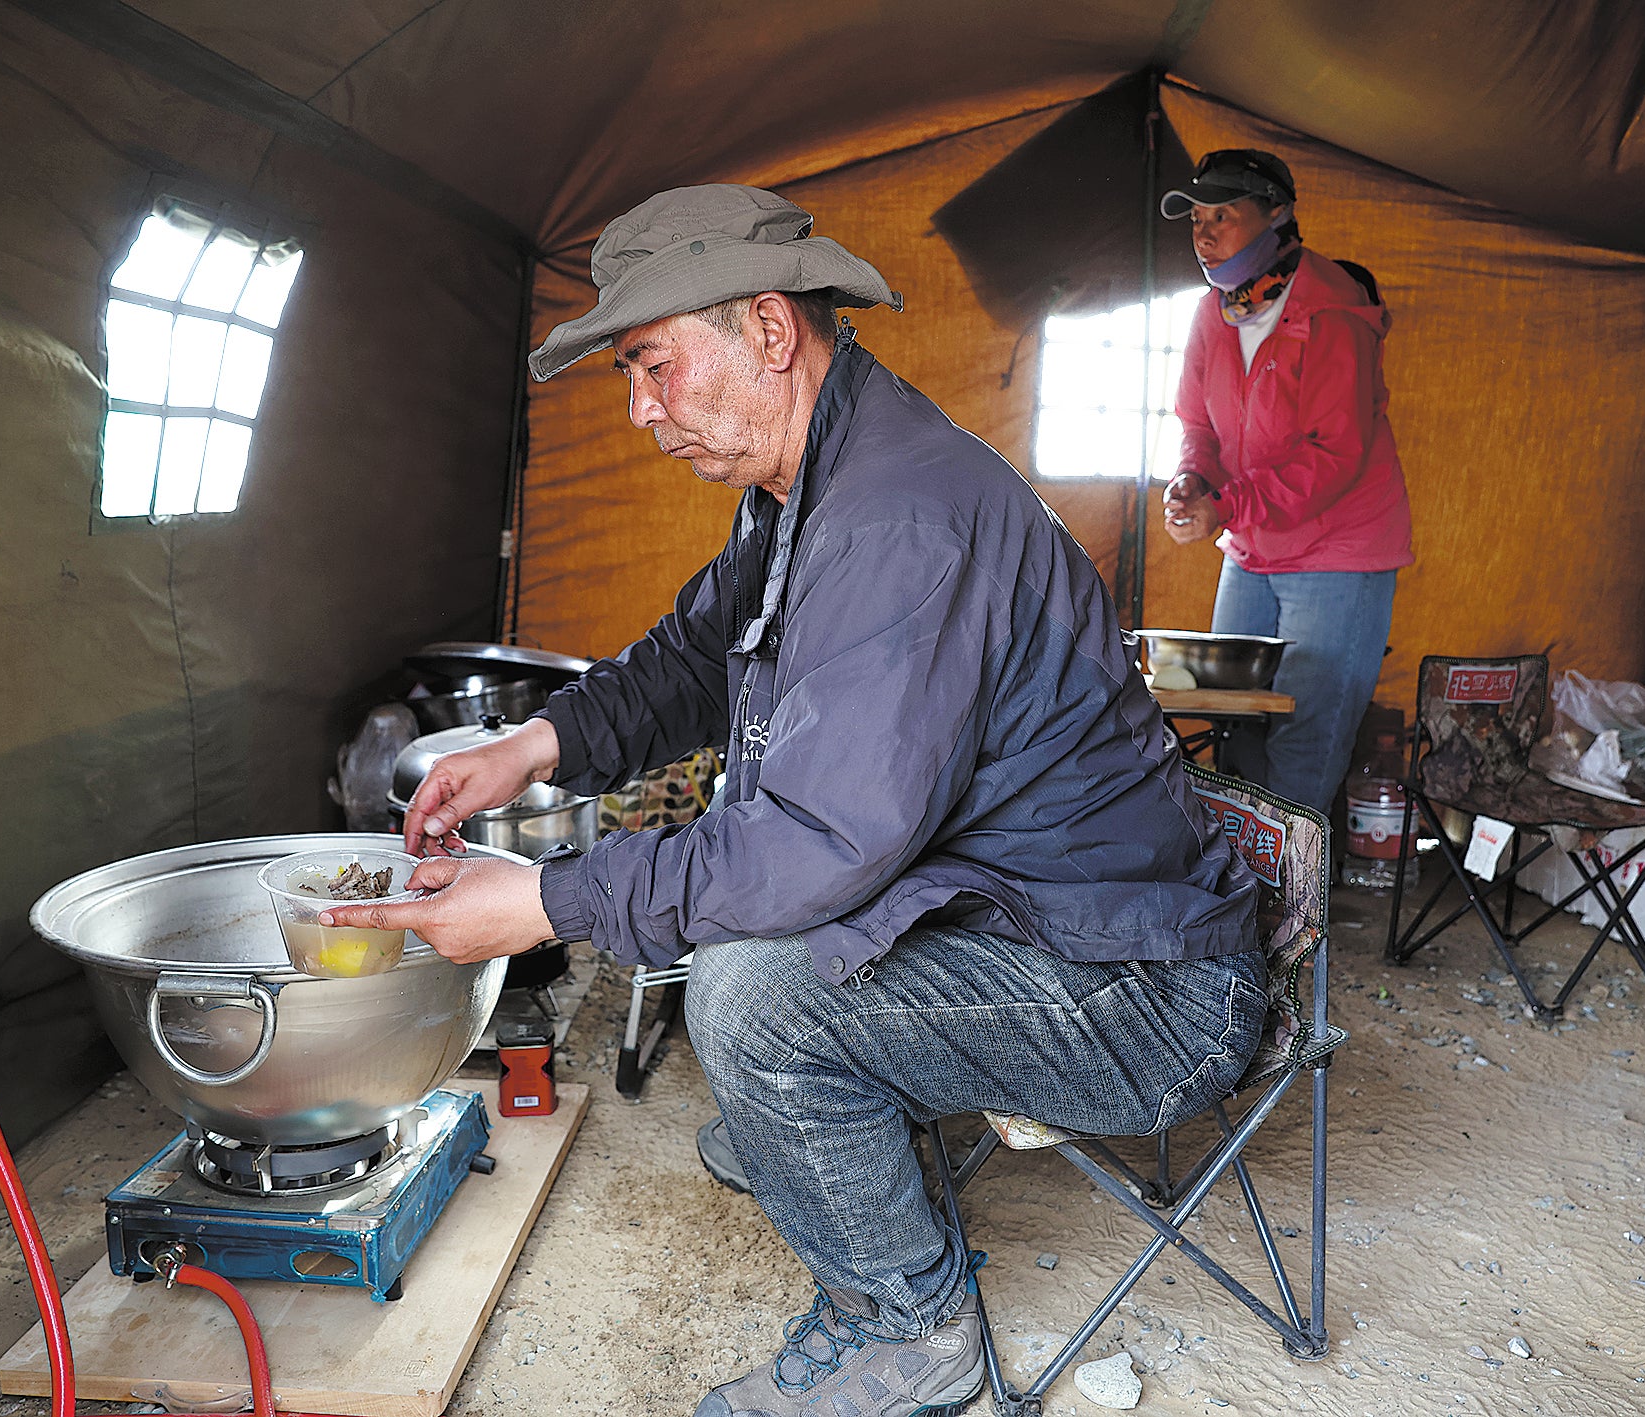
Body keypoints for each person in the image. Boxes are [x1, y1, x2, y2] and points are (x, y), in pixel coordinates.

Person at [321, 184, 1262, 1417]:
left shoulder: (899, 519)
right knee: (751, 957)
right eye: (627, 375)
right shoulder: (805, 485)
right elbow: (687, 655)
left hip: (1140, 994)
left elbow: (817, 845)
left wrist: (545, 900)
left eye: (653, 365)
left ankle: (909, 1331)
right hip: (1031, 922)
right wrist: (533, 743)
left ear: (769, 331)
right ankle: (815, 1133)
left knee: (753, 996)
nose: (639, 410)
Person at [1160, 149, 1413, 816]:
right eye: (1196, 219)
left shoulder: (1331, 307)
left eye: (1224, 215)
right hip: (1252, 549)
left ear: (1277, 215)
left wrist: (1226, 505)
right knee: (1230, 720)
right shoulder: (1213, 313)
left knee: (1306, 745)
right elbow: (1197, 423)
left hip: (1339, 553)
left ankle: (1296, 917)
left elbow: (1336, 454)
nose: (1205, 233)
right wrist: (1191, 479)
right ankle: (1241, 907)